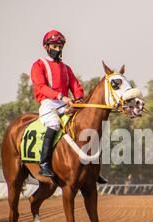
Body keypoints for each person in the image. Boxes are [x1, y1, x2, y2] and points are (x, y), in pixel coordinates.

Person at [31, 29, 108, 183]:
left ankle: (94, 168)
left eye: (60, 47)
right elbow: (41, 87)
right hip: (48, 103)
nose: (58, 49)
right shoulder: (39, 65)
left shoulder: (66, 68)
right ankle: (44, 163)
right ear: (47, 46)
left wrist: (79, 98)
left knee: (86, 126)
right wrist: (60, 96)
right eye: (54, 46)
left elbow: (75, 85)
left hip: (64, 103)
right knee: (53, 124)